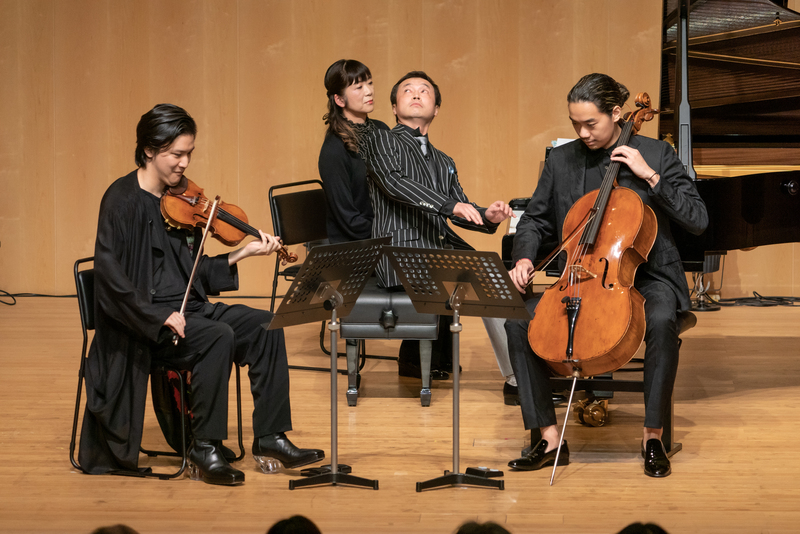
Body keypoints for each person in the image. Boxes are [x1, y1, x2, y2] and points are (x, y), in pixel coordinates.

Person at [78, 103, 324, 486]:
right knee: (217, 337)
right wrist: (157, 316)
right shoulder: (121, 202)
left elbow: (195, 275)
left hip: (193, 309)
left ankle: (271, 437)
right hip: (150, 325)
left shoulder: (182, 201)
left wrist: (241, 252)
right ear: (148, 150)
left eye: (189, 152)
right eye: (176, 154)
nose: (184, 163)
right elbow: (112, 282)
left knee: (264, 325)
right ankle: (203, 446)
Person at [505, 73, 708, 478]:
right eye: (574, 123)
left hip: (647, 276)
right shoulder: (561, 160)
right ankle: (548, 436)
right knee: (516, 321)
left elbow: (698, 220)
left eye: (590, 124)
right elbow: (535, 219)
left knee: (663, 319)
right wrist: (524, 258)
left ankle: (653, 435)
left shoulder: (656, 153)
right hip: (581, 275)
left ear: (617, 114)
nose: (582, 133)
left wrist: (651, 175)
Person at [356, 70, 517, 386]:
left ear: (437, 109)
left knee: (497, 279)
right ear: (393, 107)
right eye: (407, 90)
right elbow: (395, 183)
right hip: (400, 252)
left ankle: (517, 377)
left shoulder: (444, 160)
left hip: (435, 248)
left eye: (424, 90)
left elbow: (460, 208)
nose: (416, 93)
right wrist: (450, 206)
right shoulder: (380, 139)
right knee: (487, 279)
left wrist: (489, 216)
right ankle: (518, 377)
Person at [318, 59, 390, 245]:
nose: (369, 91)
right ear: (339, 99)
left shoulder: (381, 130)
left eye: (370, 82)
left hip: (385, 235)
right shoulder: (333, 150)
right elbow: (349, 220)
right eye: (358, 87)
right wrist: (390, 233)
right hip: (357, 247)